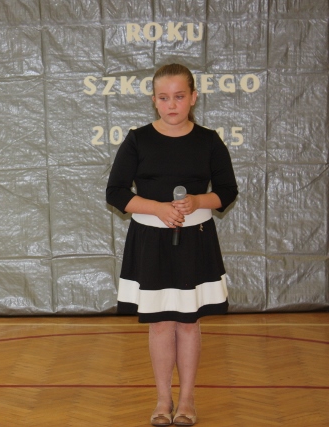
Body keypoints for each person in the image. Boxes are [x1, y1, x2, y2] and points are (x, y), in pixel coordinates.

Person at [106, 64, 238, 426]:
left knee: (188, 323)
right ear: (154, 101)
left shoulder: (209, 141)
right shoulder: (137, 140)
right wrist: (158, 209)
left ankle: (187, 400)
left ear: (193, 98)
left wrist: (197, 201)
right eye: (164, 98)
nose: (172, 104)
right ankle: (163, 400)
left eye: (179, 96)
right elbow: (116, 192)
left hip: (195, 241)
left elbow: (227, 191)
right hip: (150, 241)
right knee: (161, 323)